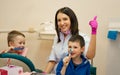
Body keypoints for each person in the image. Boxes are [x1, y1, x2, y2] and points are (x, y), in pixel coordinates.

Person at [44, 7, 98, 73]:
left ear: (71, 20)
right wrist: (44, 74)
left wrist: (94, 32)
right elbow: (52, 60)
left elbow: (90, 55)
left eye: (65, 19)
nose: (61, 23)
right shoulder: (57, 37)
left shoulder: (81, 37)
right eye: (59, 20)